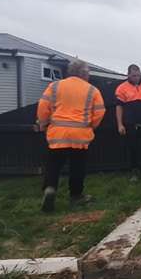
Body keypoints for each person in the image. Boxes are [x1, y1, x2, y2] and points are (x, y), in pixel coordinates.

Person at [37, 60, 105, 212]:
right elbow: (100, 111)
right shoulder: (92, 90)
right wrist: (91, 126)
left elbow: (43, 106)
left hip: (58, 134)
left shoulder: (54, 86)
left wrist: (43, 122)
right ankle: (76, 195)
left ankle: (50, 189)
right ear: (84, 74)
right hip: (80, 135)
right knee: (77, 166)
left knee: (54, 165)